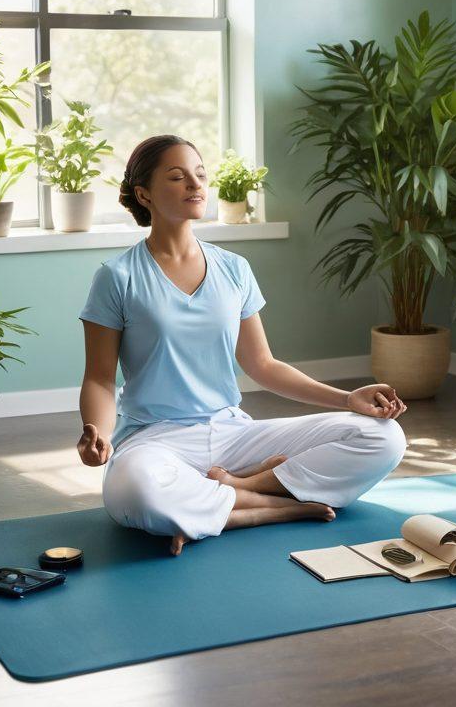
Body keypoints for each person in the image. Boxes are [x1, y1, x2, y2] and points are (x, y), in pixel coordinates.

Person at [77, 134, 409, 556]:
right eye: (177, 177)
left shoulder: (233, 269)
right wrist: (98, 433)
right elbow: (100, 379)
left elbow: (263, 365)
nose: (195, 185)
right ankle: (272, 508)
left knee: (384, 437)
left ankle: (238, 490)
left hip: (233, 434)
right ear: (143, 193)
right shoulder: (117, 276)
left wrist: (348, 398)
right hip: (156, 438)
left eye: (200, 174)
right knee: (135, 493)